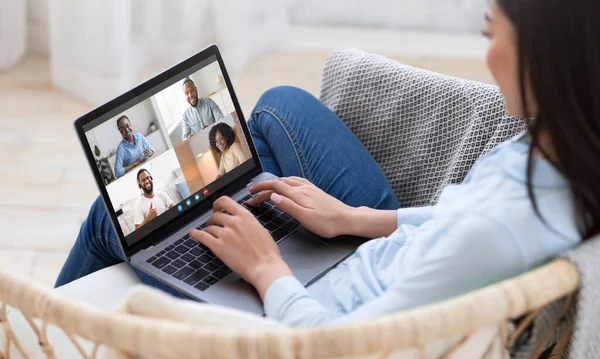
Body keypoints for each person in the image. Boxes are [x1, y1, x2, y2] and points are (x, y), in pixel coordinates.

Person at [56, 0, 600, 327]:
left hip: (304, 308)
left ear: (543, 56)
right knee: (275, 114)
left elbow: (334, 355)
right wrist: (354, 218)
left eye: (490, 32)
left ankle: (29, 344)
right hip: (365, 250)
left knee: (113, 219)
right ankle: (238, 206)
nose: (486, 53)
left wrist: (268, 268)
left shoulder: (496, 233)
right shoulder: (553, 158)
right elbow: (458, 217)